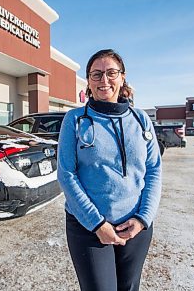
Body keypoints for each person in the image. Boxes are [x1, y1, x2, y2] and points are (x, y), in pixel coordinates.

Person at [57, 49, 162, 291]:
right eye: (97, 74)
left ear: (122, 78)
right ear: (89, 82)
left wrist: (143, 218)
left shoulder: (140, 119)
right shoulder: (74, 119)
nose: (104, 80)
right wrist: (97, 224)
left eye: (111, 73)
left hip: (135, 227)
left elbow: (154, 169)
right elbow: (66, 173)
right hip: (89, 228)